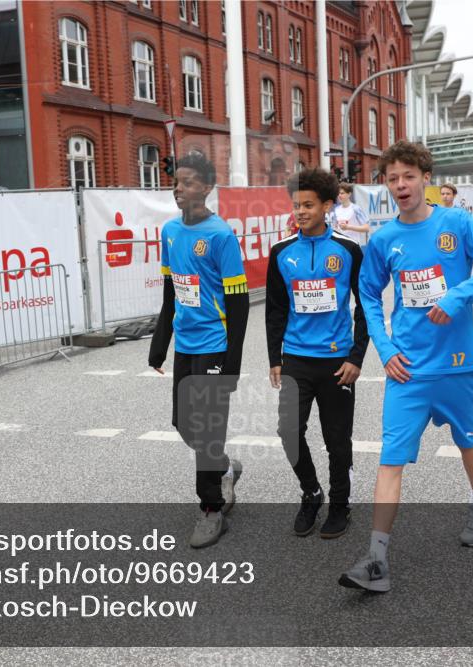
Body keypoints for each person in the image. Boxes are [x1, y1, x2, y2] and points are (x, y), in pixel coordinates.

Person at [339, 140, 473, 593]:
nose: (401, 185)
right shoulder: (383, 240)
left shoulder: (456, 222)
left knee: (468, 440)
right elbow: (370, 300)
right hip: (408, 369)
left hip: (457, 365)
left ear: (426, 179)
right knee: (390, 460)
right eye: (392, 178)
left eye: (408, 176)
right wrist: (384, 347)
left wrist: (458, 297)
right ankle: (376, 558)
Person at [147, 153, 249, 548]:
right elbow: (172, 291)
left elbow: (238, 302)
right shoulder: (170, 231)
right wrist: (159, 346)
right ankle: (224, 467)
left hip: (215, 345)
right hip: (186, 345)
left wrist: (233, 362)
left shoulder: (221, 236)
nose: (179, 189)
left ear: (206, 188)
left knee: (206, 430)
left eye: (188, 183)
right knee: (183, 425)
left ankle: (211, 509)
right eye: (176, 183)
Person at [267, 168, 369, 539]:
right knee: (288, 430)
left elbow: (365, 306)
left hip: (337, 360)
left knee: (337, 440)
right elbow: (276, 308)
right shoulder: (281, 252)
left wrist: (356, 357)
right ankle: (311, 492)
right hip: (296, 356)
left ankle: (340, 504)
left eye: (308, 205)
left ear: (327, 205)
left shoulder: (347, 249)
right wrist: (274, 357)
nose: (300, 212)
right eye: (296, 205)